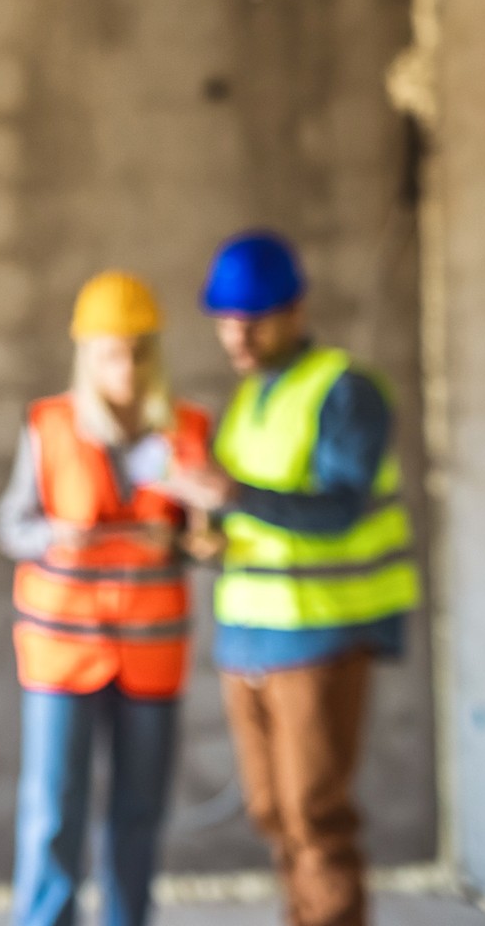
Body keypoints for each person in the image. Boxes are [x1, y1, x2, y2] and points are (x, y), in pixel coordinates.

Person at [159, 231, 419, 926]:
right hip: (248, 639)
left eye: (253, 319)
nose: (236, 335)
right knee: (273, 814)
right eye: (224, 320)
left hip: (318, 636)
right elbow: (252, 513)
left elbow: (338, 509)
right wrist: (207, 536)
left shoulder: (343, 390)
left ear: (295, 310)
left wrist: (232, 494)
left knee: (314, 816)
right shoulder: (249, 399)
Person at [0, 272, 213, 926]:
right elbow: (11, 526)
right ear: (86, 356)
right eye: (111, 352)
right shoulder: (49, 425)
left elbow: (208, 539)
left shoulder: (187, 430)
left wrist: (178, 535)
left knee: (139, 810)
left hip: (150, 655)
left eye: (138, 350)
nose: (126, 365)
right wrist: (55, 535)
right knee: (53, 809)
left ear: (155, 352)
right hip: (62, 654)